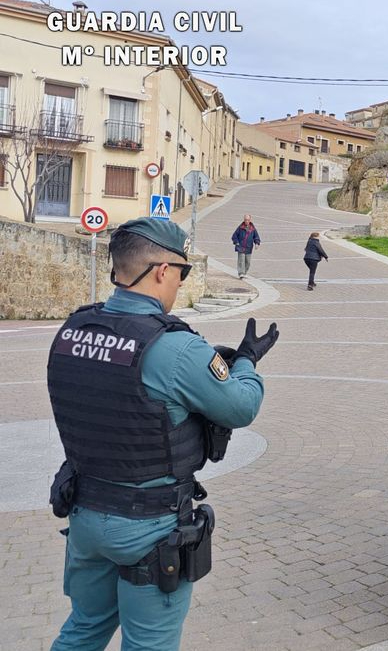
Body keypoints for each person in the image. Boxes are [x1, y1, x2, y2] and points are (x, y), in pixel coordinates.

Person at [46, 217, 279, 651]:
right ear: (161, 271)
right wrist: (245, 361)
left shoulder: (73, 330)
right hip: (148, 527)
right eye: (182, 272)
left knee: (83, 630)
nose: (180, 282)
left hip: (85, 515)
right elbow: (241, 407)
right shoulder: (175, 347)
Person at [231, 214, 261, 279]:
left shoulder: (253, 229)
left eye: (248, 220)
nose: (246, 221)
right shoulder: (240, 227)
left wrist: (257, 243)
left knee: (248, 262)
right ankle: (241, 273)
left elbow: (256, 237)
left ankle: (244, 273)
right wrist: (236, 242)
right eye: (245, 220)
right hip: (241, 247)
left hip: (249, 248)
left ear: (250, 220)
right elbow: (234, 236)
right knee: (241, 260)